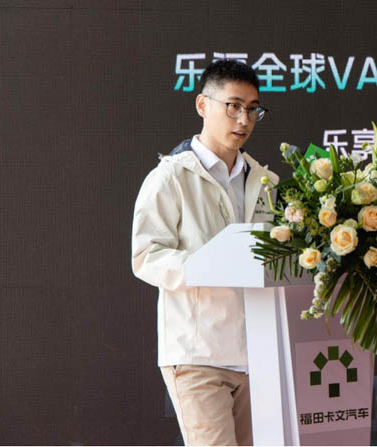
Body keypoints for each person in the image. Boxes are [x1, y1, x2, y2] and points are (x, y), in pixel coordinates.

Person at [131, 60, 278, 446]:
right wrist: (206, 265)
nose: (243, 119)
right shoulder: (170, 176)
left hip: (258, 355)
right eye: (233, 106)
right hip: (197, 354)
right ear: (202, 105)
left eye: (252, 109)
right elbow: (145, 256)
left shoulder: (265, 181)